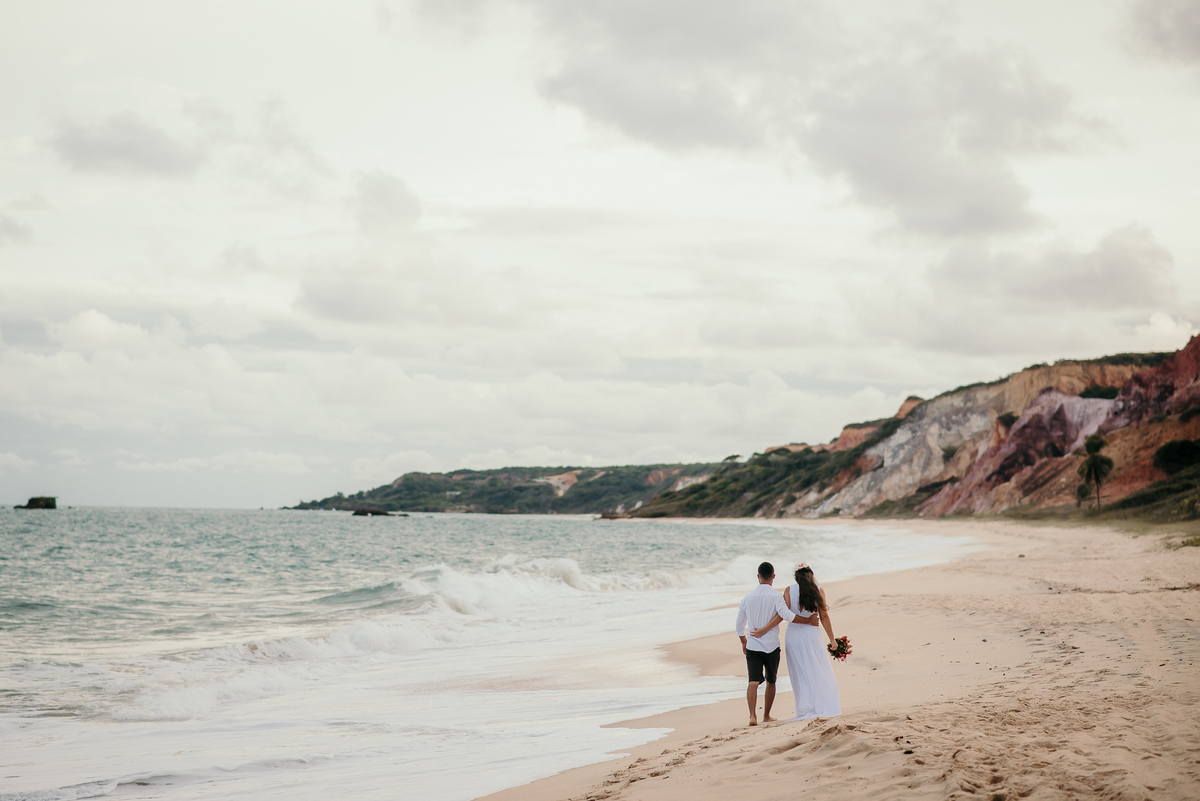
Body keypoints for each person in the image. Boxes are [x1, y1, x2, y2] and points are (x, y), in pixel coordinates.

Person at [753, 562, 841, 720]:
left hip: (793, 637)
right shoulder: (819, 591)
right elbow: (824, 616)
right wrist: (832, 639)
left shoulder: (789, 590)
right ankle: (820, 704)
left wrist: (764, 629)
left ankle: (805, 708)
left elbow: (782, 614)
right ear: (811, 575)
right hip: (812, 636)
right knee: (816, 669)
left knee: (800, 674)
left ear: (796, 577)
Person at [735, 561, 820, 726]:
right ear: (773, 577)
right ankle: (766, 715)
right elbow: (787, 616)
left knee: (753, 680)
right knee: (771, 681)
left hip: (753, 645)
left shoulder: (747, 597)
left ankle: (752, 716)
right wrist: (808, 620)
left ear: (758, 577)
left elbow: (739, 625)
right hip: (771, 646)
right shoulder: (776, 597)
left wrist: (743, 640)